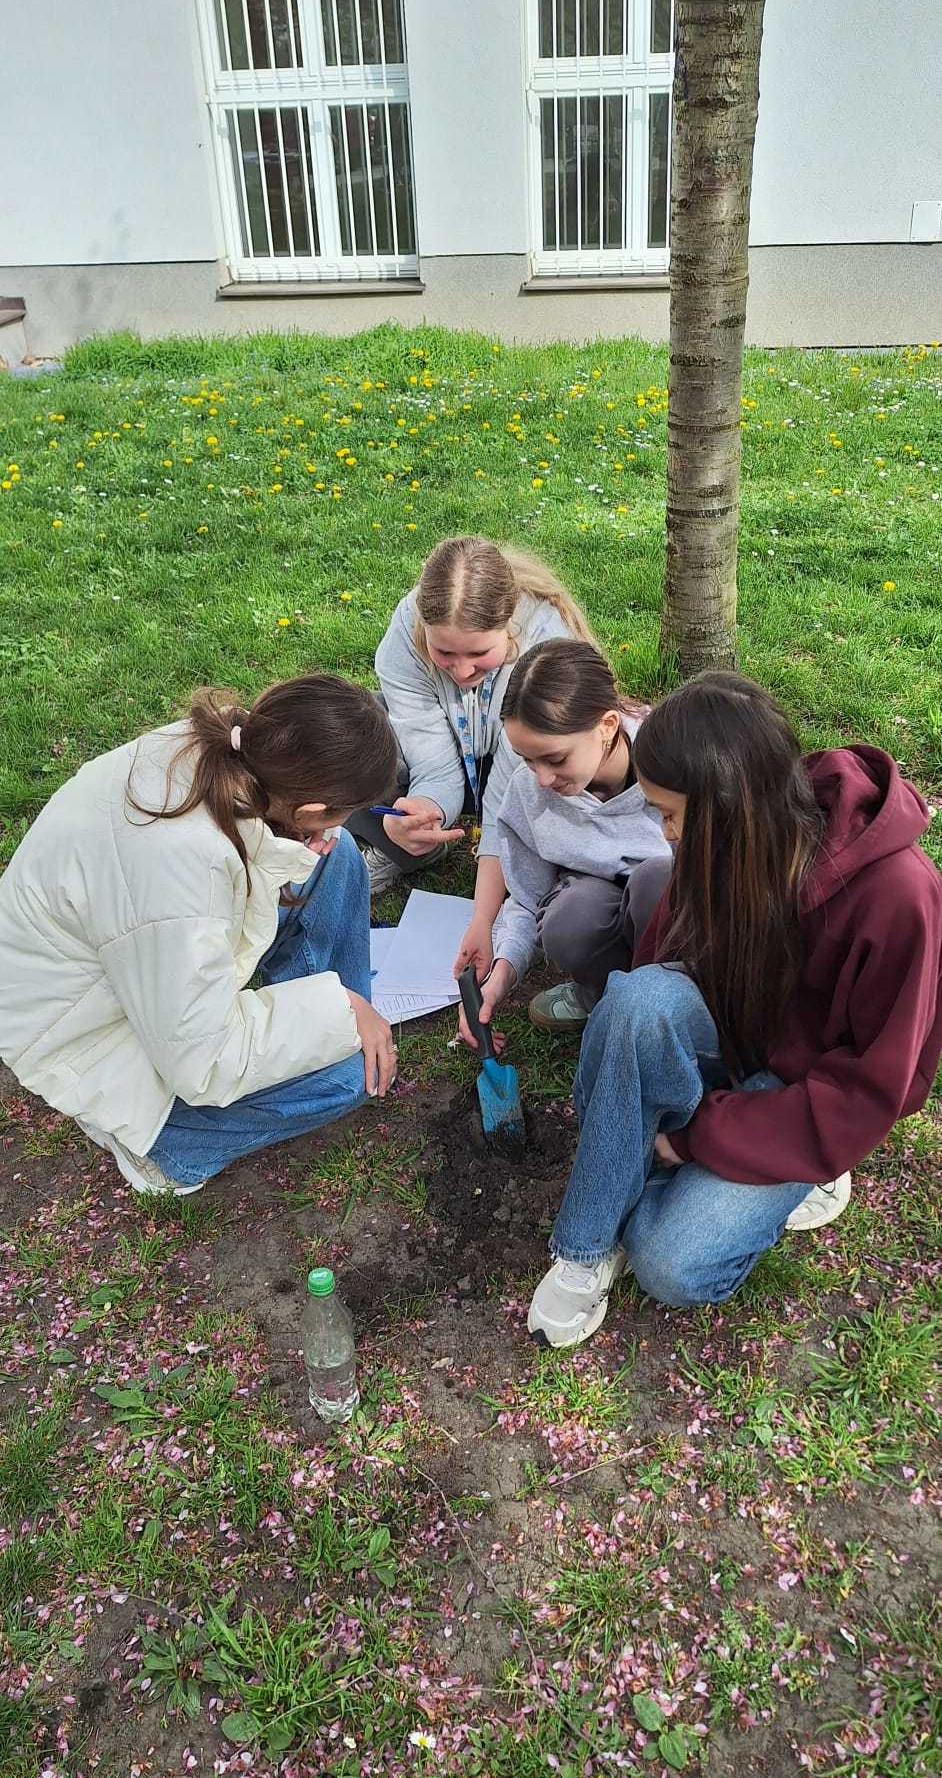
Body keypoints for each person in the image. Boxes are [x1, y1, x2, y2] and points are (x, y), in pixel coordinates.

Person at [527, 671, 942, 1350]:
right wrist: (644, 1066)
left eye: (669, 812)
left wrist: (690, 1138)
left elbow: (867, 1091)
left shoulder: (901, 896)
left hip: (811, 1096)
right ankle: (585, 1246)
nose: (664, 833)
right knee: (636, 1001)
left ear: (728, 803)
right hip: (733, 1033)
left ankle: (787, 1173)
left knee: (672, 1267)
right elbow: (655, 975)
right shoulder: (723, 839)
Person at [0, 676, 400, 1197]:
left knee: (338, 855)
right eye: (337, 813)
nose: (333, 825)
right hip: (86, 1030)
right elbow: (203, 1063)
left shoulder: (229, 749)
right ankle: (168, 1152)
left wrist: (338, 1012)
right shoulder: (179, 874)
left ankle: (355, 1036)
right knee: (344, 1079)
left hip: (142, 972)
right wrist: (339, 1009)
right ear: (306, 811)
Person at [345, 535, 596, 981]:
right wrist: (426, 809)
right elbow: (431, 759)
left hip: (526, 766)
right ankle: (411, 847)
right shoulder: (405, 634)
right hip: (457, 749)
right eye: (444, 654)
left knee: (541, 798)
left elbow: (508, 792)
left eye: (480, 654)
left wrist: (482, 919)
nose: (461, 672)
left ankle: (528, 879)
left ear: (510, 629)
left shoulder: (544, 646)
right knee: (350, 735)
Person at [456, 640, 672, 1048]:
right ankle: (600, 996)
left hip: (678, 915)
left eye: (555, 759)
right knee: (569, 920)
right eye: (526, 760)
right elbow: (527, 897)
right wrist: (500, 977)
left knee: (654, 883)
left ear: (607, 726)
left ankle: (672, 1005)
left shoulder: (676, 759)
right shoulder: (529, 792)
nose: (541, 779)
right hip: (597, 902)